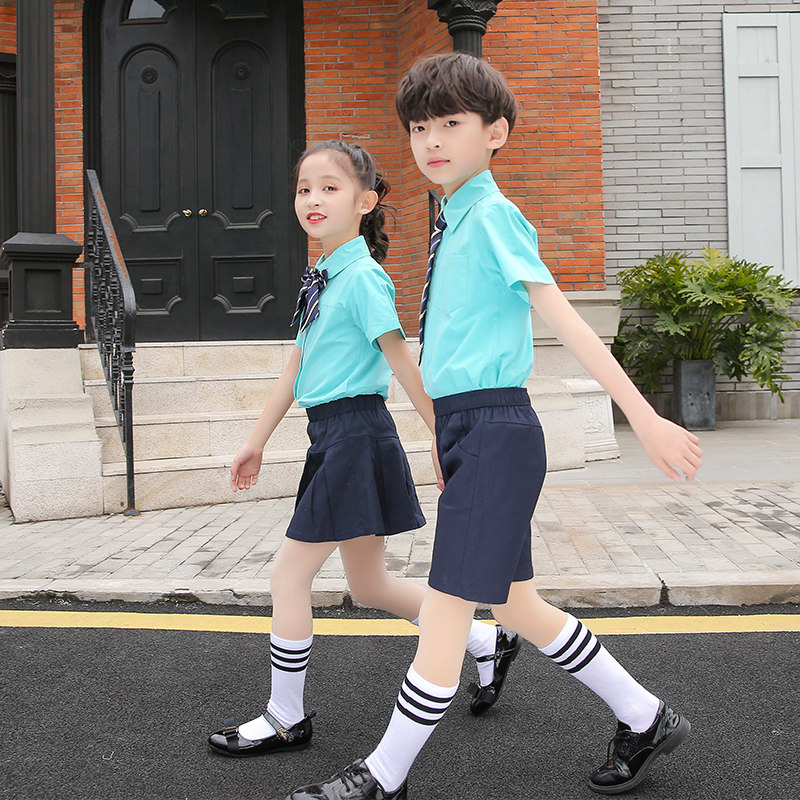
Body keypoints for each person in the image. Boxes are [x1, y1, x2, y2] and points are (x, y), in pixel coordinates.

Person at [283, 54, 703, 800]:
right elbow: (449, 354)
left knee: (447, 613)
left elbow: (564, 319)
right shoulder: (454, 219)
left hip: (497, 430)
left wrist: (644, 417)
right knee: (513, 604)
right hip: (471, 432)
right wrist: (442, 438)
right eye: (419, 127)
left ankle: (383, 775)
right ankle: (646, 717)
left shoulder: (494, 217)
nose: (432, 140)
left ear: (496, 132)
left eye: (451, 123)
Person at [207, 139, 520, 760]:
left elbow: (403, 363)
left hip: (355, 436)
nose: (313, 199)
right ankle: (484, 641)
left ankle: (285, 717)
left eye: (330, 187)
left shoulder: (364, 279)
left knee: (287, 576)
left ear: (366, 201)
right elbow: (296, 364)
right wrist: (255, 442)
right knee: (371, 585)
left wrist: (447, 438)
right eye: (304, 189)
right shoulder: (323, 276)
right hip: (333, 436)